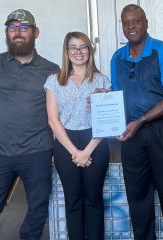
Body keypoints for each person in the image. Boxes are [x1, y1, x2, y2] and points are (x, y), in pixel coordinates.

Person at [0, 9, 59, 239]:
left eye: (24, 27)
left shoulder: (52, 70)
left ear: (35, 32)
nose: (17, 33)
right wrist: (1, 119)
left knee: (38, 208)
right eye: (12, 28)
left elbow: (64, 106)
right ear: (6, 33)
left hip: (38, 151)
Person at [110, 4, 163, 240]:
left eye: (136, 21)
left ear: (145, 23)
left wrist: (141, 120)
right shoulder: (118, 58)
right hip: (131, 136)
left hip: (162, 132)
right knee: (138, 197)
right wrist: (105, 98)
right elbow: (118, 92)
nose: (131, 26)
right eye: (126, 22)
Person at [44, 31, 111, 239]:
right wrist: (75, 152)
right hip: (65, 145)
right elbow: (53, 121)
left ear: (89, 50)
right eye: (73, 47)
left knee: (93, 199)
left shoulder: (102, 81)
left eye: (83, 47)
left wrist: (88, 150)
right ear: (66, 51)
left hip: (96, 142)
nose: (78, 52)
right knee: (73, 200)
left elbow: (107, 120)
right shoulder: (54, 81)